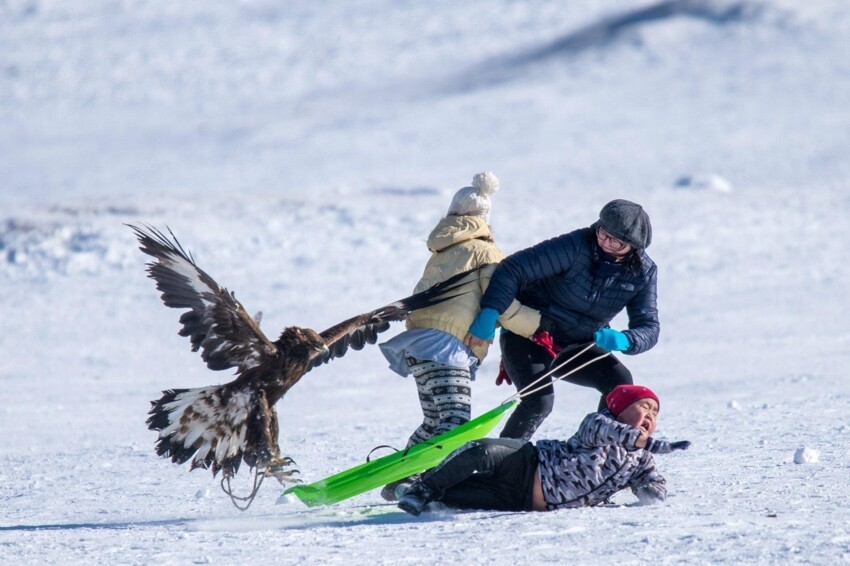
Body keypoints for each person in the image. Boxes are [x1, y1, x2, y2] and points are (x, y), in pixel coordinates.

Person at [378, 172, 541, 500]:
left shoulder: (442, 249)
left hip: (419, 343)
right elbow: (502, 304)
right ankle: (422, 484)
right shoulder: (484, 253)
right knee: (454, 422)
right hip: (447, 347)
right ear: (485, 219)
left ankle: (402, 478)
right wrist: (539, 325)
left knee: (435, 419)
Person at [463, 199, 659, 440]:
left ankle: (600, 454)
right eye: (603, 233)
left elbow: (649, 326)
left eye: (616, 241)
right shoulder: (576, 245)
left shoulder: (644, 273)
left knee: (621, 385)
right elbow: (513, 268)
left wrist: (625, 340)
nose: (605, 242)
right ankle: (500, 466)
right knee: (539, 402)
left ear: (633, 246)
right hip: (531, 336)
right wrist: (490, 312)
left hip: (579, 345)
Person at [397, 384, 690, 515]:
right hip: (528, 462)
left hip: (522, 500)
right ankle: (421, 489)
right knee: (480, 451)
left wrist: (652, 492)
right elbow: (613, 433)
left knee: (455, 496)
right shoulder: (598, 424)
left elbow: (653, 483)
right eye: (644, 407)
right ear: (620, 409)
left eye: (655, 412)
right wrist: (652, 443)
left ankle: (406, 490)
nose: (650, 415)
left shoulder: (642, 460)